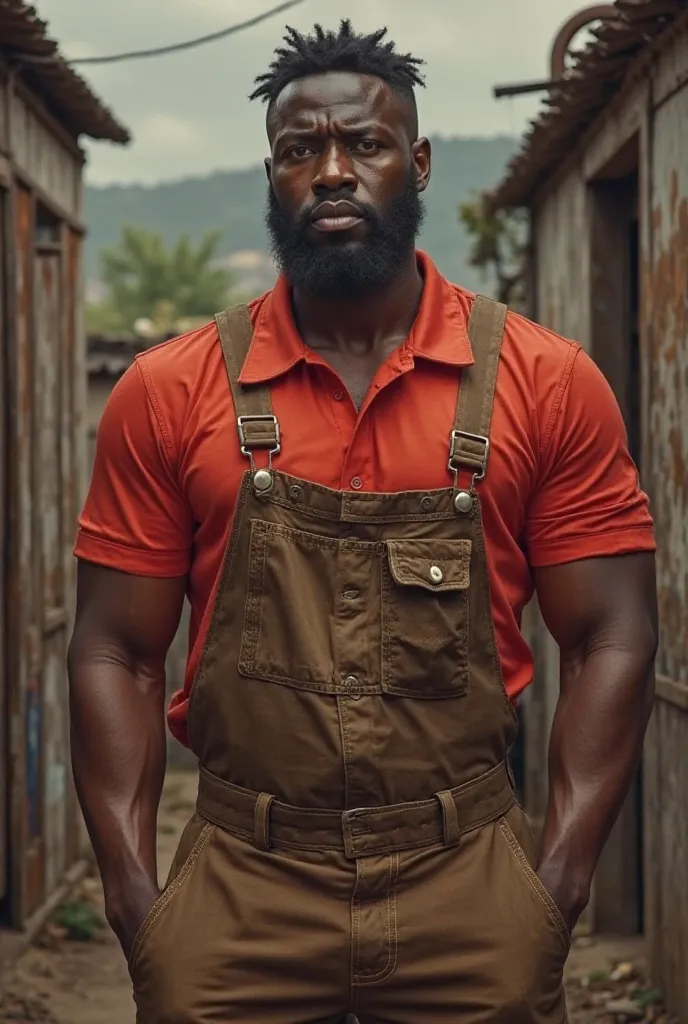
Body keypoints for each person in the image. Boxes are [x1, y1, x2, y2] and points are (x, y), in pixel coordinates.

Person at [68, 20, 658, 1024]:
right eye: (302, 150)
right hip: (240, 882)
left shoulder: (544, 381)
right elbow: (115, 651)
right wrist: (135, 897)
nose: (333, 171)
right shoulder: (168, 391)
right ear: (273, 173)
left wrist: (553, 883)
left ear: (415, 161)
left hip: (467, 875)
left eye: (365, 145)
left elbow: (612, 632)